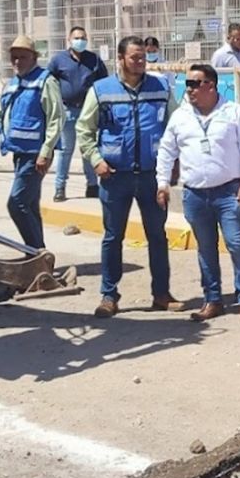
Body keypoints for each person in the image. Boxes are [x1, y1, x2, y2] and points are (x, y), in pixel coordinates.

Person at [77, 35, 182, 317]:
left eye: (143, 57)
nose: (140, 62)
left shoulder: (160, 88)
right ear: (121, 58)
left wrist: (174, 162)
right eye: (135, 57)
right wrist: (96, 161)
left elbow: (175, 126)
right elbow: (84, 129)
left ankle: (161, 294)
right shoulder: (101, 90)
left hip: (151, 176)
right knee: (113, 237)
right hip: (115, 177)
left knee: (157, 236)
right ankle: (109, 296)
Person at [156, 63, 240, 327]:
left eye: (194, 84)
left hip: (229, 192)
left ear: (211, 85)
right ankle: (212, 299)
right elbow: (167, 150)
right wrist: (162, 183)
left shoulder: (234, 112)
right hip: (194, 194)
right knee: (205, 248)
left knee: (237, 244)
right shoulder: (180, 116)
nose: (189, 89)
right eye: (187, 84)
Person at [0, 35, 62, 249]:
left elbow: (56, 119)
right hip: (20, 153)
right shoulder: (13, 84)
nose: (17, 61)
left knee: (17, 204)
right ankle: (37, 253)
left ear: (34, 57)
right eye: (14, 57)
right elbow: (0, 116)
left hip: (35, 155)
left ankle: (36, 252)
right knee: (30, 206)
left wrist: (46, 152)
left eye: (22, 57)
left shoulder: (45, 81)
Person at [46, 26, 107, 202]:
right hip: (67, 111)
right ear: (69, 40)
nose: (80, 41)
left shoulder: (94, 60)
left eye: (83, 38)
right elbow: (48, 81)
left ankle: (92, 185)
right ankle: (60, 187)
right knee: (66, 150)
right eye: (77, 38)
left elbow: (103, 82)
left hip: (88, 112)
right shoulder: (59, 60)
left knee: (88, 149)